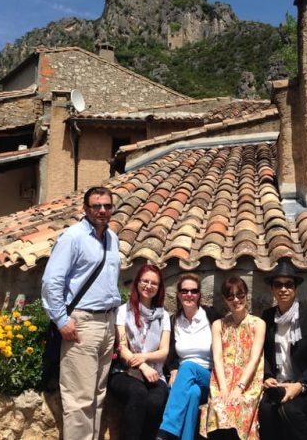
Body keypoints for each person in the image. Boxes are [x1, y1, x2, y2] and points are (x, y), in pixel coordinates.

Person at [41, 186, 121, 439]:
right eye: (97, 206)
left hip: (107, 322)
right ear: (85, 209)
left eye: (107, 206)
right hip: (82, 323)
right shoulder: (73, 237)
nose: (102, 210)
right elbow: (51, 282)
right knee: (79, 400)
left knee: (97, 396)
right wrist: (62, 320)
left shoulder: (113, 238)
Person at [258, 260, 307, 440]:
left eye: (289, 284)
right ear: (272, 289)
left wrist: (300, 385)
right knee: (265, 410)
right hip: (278, 386)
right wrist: (267, 376)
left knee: (290, 410)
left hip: (306, 388)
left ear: (295, 288)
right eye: (278, 285)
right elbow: (263, 353)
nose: (283, 289)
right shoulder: (267, 318)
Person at [108, 264, 171, 440]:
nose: (148, 286)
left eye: (154, 283)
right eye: (145, 281)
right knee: (138, 392)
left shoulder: (163, 316)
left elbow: (164, 351)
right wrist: (143, 366)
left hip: (155, 373)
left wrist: (145, 357)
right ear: (137, 283)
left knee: (156, 401)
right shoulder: (122, 311)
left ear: (159, 288)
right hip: (125, 372)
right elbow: (121, 348)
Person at [156, 273, 221, 440]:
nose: (189, 295)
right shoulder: (174, 321)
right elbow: (170, 353)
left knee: (188, 366)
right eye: (184, 291)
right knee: (192, 393)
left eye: (193, 291)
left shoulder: (212, 317)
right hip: (185, 380)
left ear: (199, 294)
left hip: (209, 376)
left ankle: (167, 430)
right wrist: (173, 368)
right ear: (178, 294)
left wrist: (180, 368)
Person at [202, 276, 265, 439]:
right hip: (223, 381)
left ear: (246, 295)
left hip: (249, 382)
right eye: (231, 296)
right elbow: (217, 358)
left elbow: (254, 359)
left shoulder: (258, 324)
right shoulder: (218, 325)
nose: (236, 300)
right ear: (225, 300)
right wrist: (223, 388)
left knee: (238, 404)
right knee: (219, 404)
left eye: (240, 295)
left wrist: (239, 388)